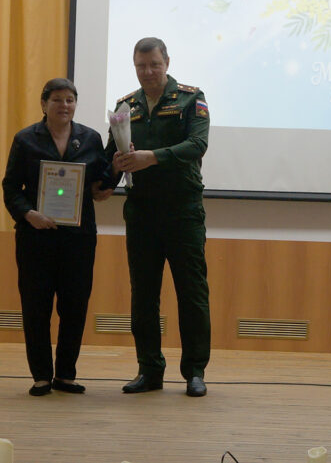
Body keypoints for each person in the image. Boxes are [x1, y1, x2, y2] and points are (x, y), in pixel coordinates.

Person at [107, 37, 211, 397]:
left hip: (183, 212)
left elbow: (197, 146)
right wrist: (114, 167)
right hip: (141, 213)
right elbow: (111, 159)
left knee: (191, 293)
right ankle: (149, 369)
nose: (148, 72)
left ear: (167, 62)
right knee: (143, 295)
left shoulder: (190, 98)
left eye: (154, 64)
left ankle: (195, 371)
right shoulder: (125, 106)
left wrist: (151, 157)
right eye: (140, 65)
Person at [2, 78, 113, 396]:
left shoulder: (90, 139)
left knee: (75, 306)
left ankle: (65, 374)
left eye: (70, 100)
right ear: (44, 104)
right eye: (57, 100)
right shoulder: (26, 139)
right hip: (36, 237)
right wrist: (29, 214)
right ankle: (40, 375)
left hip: (78, 239)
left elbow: (99, 187)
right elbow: (10, 188)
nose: (64, 106)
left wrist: (113, 175)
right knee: (36, 307)